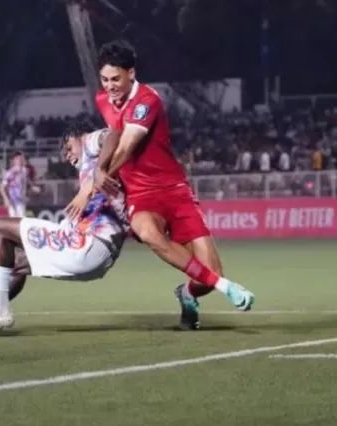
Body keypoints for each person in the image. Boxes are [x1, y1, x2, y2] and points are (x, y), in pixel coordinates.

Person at [86, 40, 254, 329]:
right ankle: (224, 287)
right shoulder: (103, 99)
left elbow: (126, 147)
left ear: (131, 73)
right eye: (104, 79)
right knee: (148, 232)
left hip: (175, 191)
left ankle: (187, 293)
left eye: (116, 79)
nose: (110, 86)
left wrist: (101, 177)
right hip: (140, 194)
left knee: (208, 274)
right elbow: (113, 136)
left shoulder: (147, 101)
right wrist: (99, 170)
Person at [0, 124, 128, 334]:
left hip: (88, 244)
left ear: (78, 136)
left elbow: (114, 134)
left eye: (68, 147)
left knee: (0, 228)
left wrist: (99, 171)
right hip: (96, 253)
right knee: (12, 262)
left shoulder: (89, 142)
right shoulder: (93, 168)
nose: (68, 155)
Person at [0, 152, 29, 217]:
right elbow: (2, 188)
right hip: (12, 200)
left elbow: (25, 183)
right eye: (18, 159)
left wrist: (32, 187)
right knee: (15, 220)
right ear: (14, 161)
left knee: (22, 219)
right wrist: (6, 199)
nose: (20, 160)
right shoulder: (10, 173)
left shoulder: (24, 171)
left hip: (21, 199)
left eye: (21, 158)